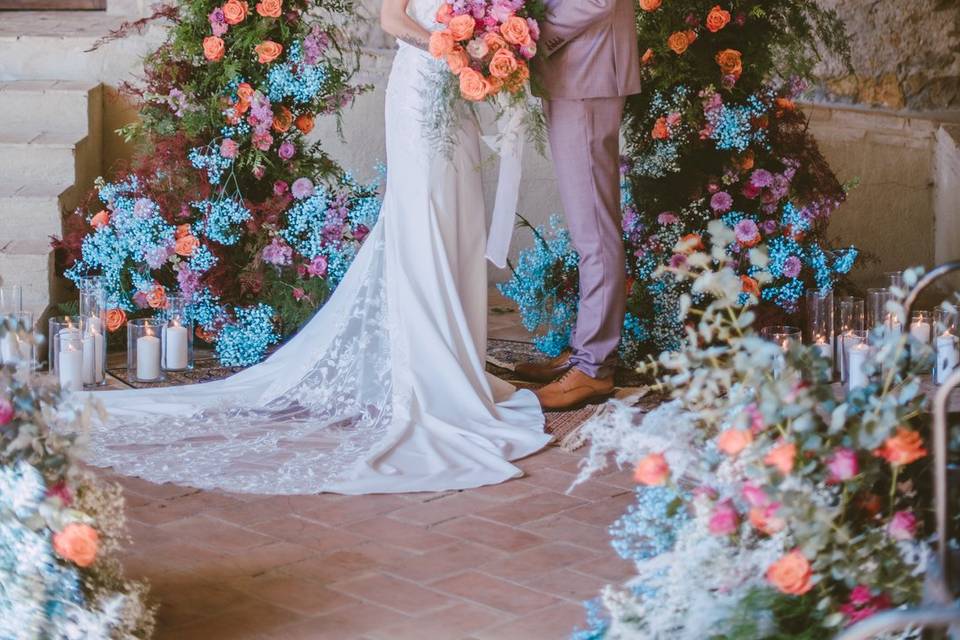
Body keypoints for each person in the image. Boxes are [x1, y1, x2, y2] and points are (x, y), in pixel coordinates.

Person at [83, 0, 551, 496]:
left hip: (455, 102)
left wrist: (485, 52)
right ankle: (424, 371)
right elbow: (392, 20)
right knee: (425, 219)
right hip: (419, 94)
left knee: (460, 220)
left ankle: (455, 361)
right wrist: (449, 51)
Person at [517, 0, 641, 411]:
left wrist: (534, 34)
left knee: (595, 229)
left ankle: (593, 368)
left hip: (588, 70)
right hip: (576, 71)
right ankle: (585, 350)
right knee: (587, 223)